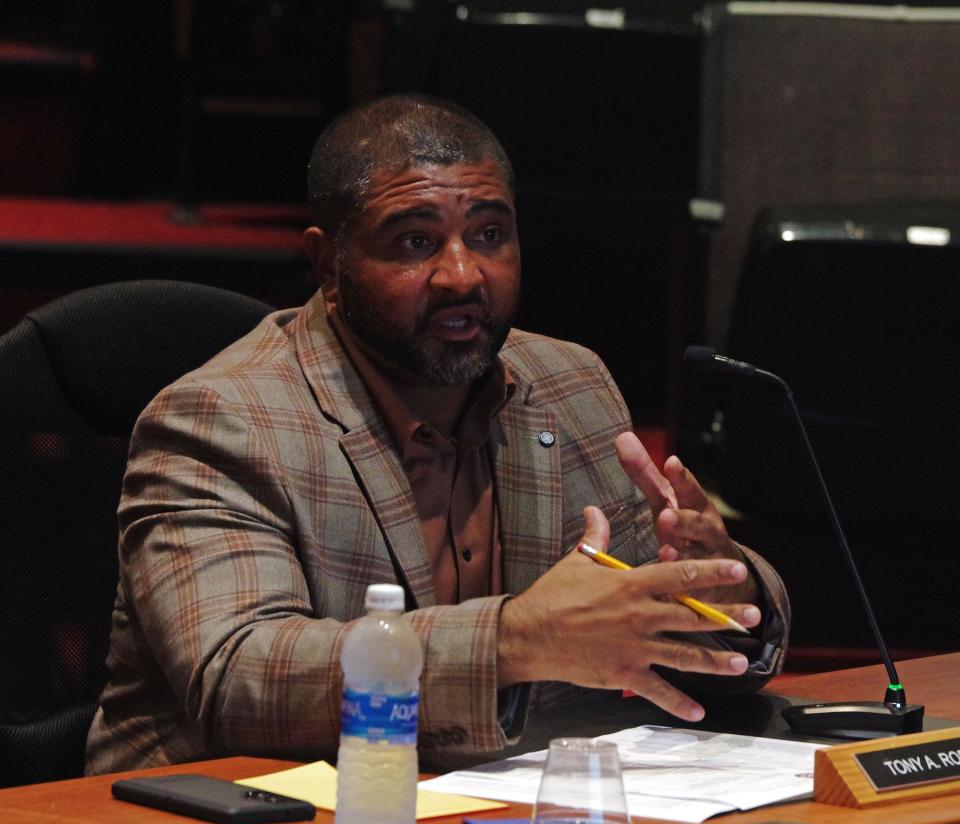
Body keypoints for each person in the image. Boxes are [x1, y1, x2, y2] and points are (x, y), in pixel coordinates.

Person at [86, 94, 789, 774]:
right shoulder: (223, 420)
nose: (462, 275)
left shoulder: (569, 383)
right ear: (329, 264)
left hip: (489, 819)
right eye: (416, 242)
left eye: (489, 235)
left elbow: (638, 627)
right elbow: (240, 677)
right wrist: (514, 640)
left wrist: (719, 591)